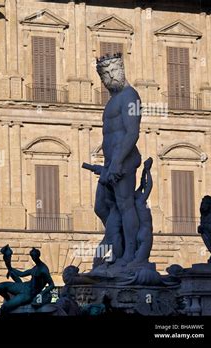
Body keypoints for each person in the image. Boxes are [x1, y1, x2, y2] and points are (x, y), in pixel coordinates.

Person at [94, 52, 142, 266]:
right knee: (101, 207)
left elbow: (132, 132)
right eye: (105, 74)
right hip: (110, 162)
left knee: (125, 205)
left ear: (122, 69)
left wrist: (118, 162)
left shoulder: (131, 96)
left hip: (123, 160)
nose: (110, 77)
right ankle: (118, 244)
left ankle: (130, 254)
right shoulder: (112, 101)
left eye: (114, 70)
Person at [0, 248, 54, 314]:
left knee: (4, 307)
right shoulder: (35, 267)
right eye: (32, 256)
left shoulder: (43, 269)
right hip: (24, 286)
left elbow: (52, 284)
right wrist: (10, 269)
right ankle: (8, 299)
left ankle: (10, 304)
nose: (33, 258)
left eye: (34, 256)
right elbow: (21, 274)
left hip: (29, 294)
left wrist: (41, 293)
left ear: (38, 256)